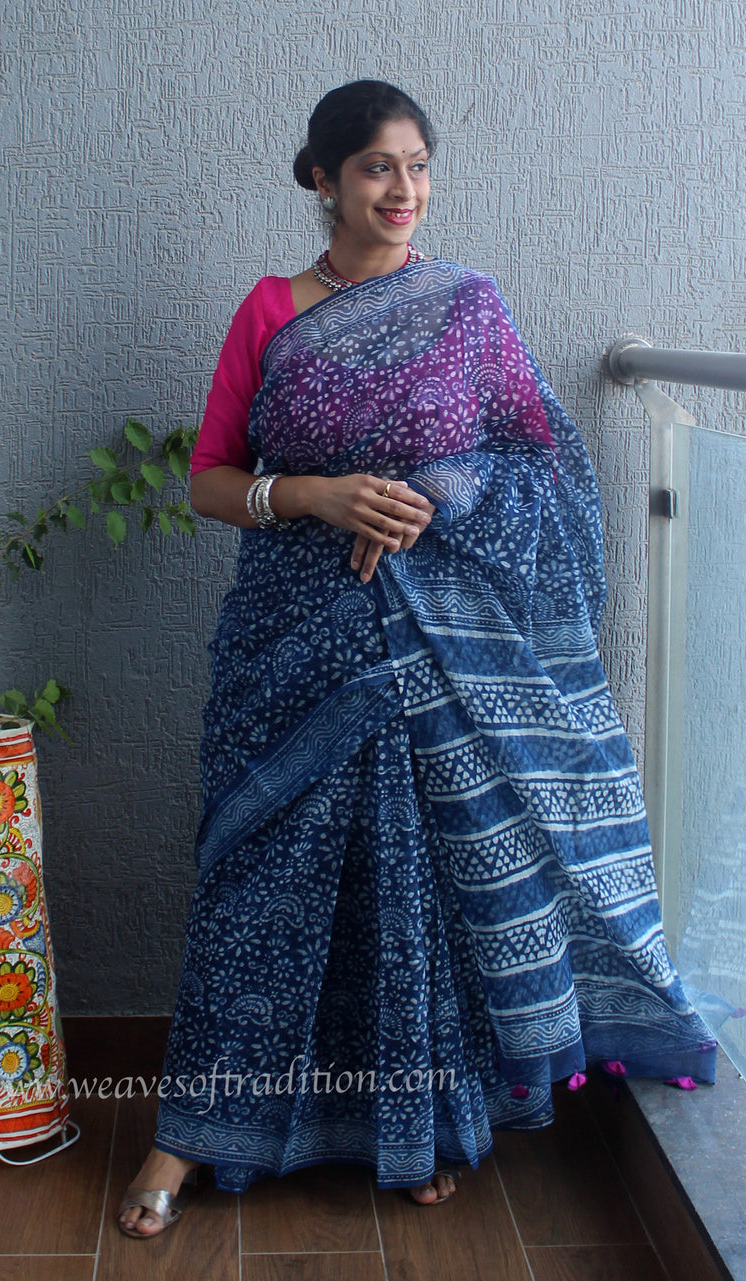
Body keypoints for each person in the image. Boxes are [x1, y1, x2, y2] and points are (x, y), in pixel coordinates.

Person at [118, 80, 716, 1237]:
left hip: (433, 650)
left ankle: (415, 1124)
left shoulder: (467, 310)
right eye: (377, 167)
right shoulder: (270, 310)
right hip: (290, 648)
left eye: (418, 165)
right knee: (254, 887)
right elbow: (207, 480)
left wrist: (437, 489)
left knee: (408, 892)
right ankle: (183, 1135)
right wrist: (313, 495)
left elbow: (543, 463)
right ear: (323, 179)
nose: (403, 190)